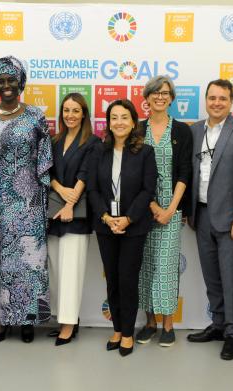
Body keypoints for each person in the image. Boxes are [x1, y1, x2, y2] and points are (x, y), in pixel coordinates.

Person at [0, 56, 52, 343]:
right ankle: (1, 321)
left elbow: (45, 165)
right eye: (1, 81)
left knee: (29, 262)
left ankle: (27, 320)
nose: (6, 86)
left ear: (21, 83)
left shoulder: (36, 117)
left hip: (28, 205)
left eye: (11, 80)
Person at [186, 79, 233, 360]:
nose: (217, 103)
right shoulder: (194, 131)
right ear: (205, 100)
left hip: (231, 220)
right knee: (211, 276)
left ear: (231, 102)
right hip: (201, 215)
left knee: (231, 277)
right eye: (212, 98)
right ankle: (217, 324)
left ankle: (232, 332)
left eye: (223, 98)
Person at [87, 99, 157, 357]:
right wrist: (106, 217)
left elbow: (147, 190)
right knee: (113, 281)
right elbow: (92, 189)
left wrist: (127, 219)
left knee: (128, 280)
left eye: (124, 117)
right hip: (106, 226)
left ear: (133, 121)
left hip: (134, 227)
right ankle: (117, 328)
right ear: (108, 123)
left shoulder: (145, 152)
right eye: (114, 117)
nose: (119, 122)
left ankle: (127, 332)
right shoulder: (98, 151)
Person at [135, 75, 192, 348]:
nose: (160, 97)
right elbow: (132, 175)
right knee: (145, 266)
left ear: (171, 98)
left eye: (166, 93)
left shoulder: (181, 131)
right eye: (155, 92)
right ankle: (149, 323)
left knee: (167, 268)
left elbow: (184, 174)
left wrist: (171, 209)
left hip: (172, 208)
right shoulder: (136, 129)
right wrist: (153, 206)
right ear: (146, 98)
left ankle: (168, 324)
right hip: (142, 207)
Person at [47, 93, 100, 346]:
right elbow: (48, 173)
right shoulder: (54, 140)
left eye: (75, 111)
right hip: (53, 212)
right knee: (57, 270)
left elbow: (86, 175)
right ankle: (63, 319)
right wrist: (58, 188)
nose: (70, 115)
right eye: (66, 110)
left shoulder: (93, 142)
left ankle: (69, 325)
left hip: (76, 215)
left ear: (84, 114)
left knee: (71, 270)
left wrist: (70, 203)